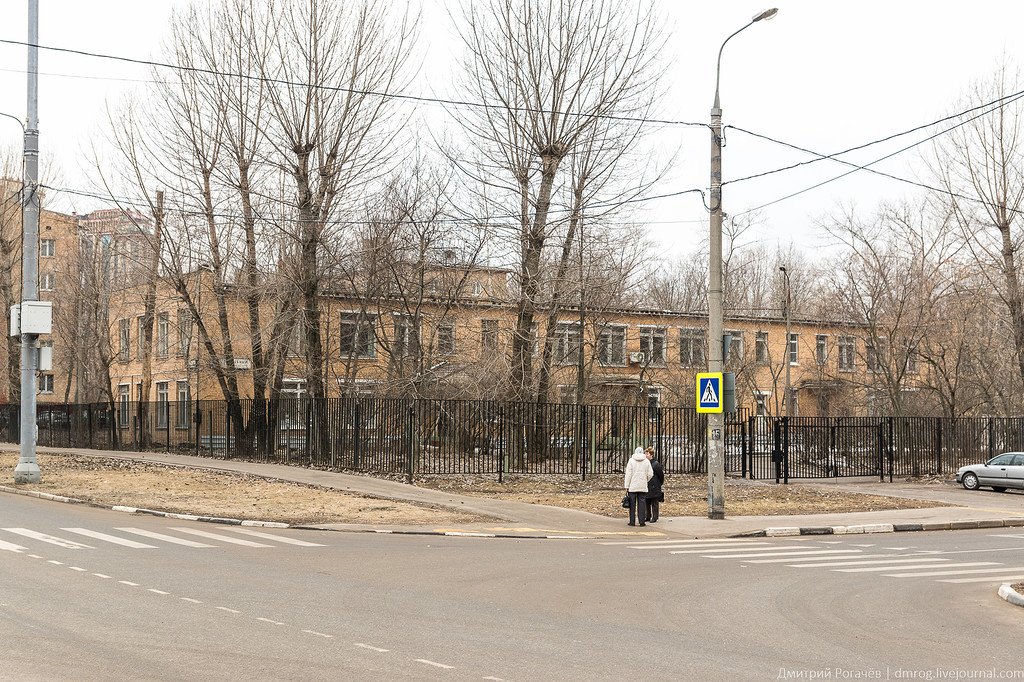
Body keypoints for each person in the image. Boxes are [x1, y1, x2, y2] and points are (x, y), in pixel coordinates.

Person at [623, 446, 654, 527]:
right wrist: (645, 480)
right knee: (642, 504)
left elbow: (628, 474)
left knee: (632, 504)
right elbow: (650, 474)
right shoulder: (646, 461)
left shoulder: (631, 461)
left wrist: (627, 485)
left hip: (632, 486)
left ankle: (632, 521)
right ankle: (642, 522)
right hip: (642, 485)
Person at [645, 446, 664, 523]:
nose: (646, 455)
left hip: (654, 485)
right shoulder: (646, 463)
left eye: (647, 454)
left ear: (651, 454)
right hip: (648, 484)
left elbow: (661, 475)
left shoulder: (656, 464)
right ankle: (648, 516)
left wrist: (659, 483)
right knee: (647, 501)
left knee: (654, 502)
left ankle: (655, 516)